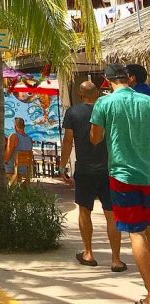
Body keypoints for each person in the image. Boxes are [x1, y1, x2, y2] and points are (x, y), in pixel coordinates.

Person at [91, 64, 150, 304]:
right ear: (128, 78)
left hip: (123, 176)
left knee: (136, 233)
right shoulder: (147, 101)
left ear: (107, 80)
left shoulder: (104, 104)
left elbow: (95, 138)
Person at [61, 81, 126, 272]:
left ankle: (88, 253)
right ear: (97, 93)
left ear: (81, 95)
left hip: (85, 169)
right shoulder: (108, 109)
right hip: (109, 168)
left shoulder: (72, 112)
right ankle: (116, 259)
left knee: (84, 210)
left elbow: (67, 140)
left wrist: (62, 165)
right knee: (111, 214)